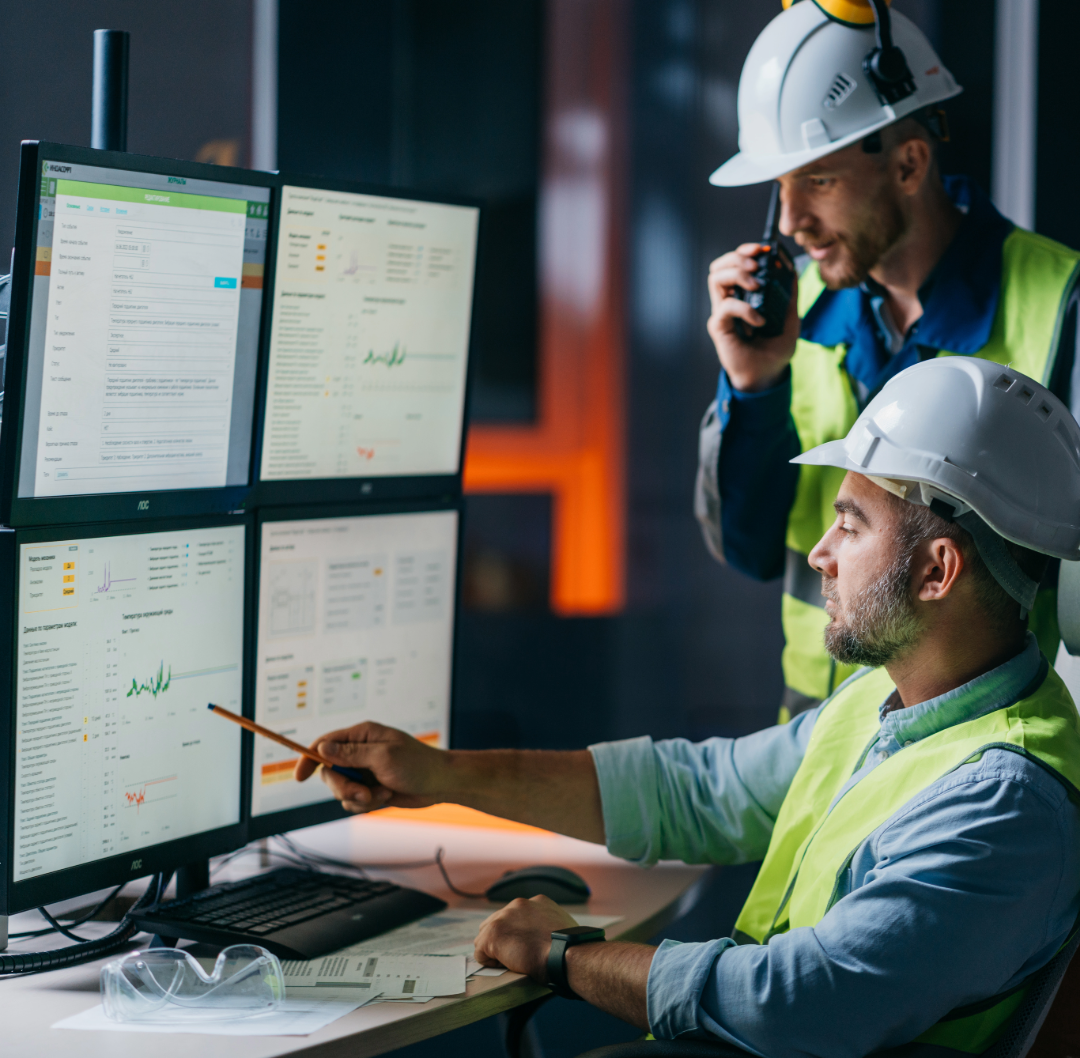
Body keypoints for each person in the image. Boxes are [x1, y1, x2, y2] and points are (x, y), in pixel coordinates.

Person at [296, 357, 1080, 1056]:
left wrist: (563, 955)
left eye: (850, 523)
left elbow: (798, 1005)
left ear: (936, 572)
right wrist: (441, 773)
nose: (819, 554)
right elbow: (696, 792)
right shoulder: (889, 706)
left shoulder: (1002, 800)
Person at [694, 0, 1080, 722]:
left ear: (908, 165)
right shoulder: (793, 315)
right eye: (781, 186)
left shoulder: (1060, 304)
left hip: (980, 741)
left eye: (821, 180)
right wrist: (754, 385)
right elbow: (746, 548)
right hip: (815, 737)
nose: (792, 220)